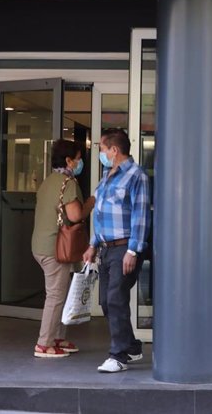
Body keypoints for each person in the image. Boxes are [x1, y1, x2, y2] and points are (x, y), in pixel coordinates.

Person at [83, 128, 151, 373]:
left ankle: (118, 356)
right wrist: (93, 244)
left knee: (116, 298)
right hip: (106, 249)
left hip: (125, 247)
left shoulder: (136, 176)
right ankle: (132, 346)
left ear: (114, 150)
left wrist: (133, 251)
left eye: (102, 149)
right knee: (106, 302)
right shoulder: (107, 176)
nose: (100, 153)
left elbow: (140, 216)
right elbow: (101, 215)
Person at [31, 139, 94, 358]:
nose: (79, 163)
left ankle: (57, 337)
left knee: (60, 293)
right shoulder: (68, 183)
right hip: (54, 248)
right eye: (77, 159)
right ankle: (44, 344)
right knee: (56, 295)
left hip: (41, 245)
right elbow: (76, 215)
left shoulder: (49, 181)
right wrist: (92, 203)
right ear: (68, 160)